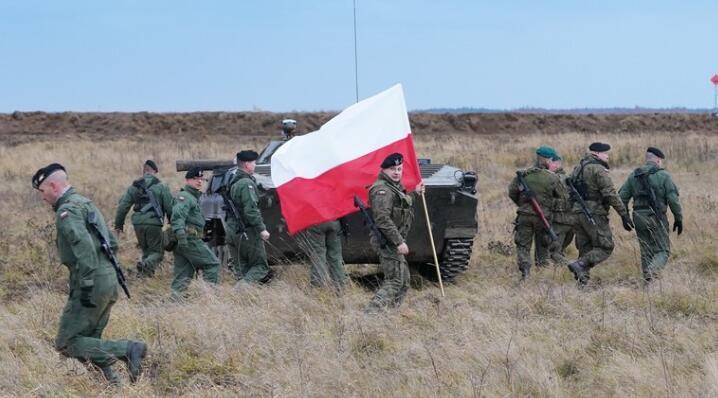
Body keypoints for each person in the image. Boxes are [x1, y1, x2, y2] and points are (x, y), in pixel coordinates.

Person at [32, 163, 146, 385]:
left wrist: (86, 284)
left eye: (43, 191)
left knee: (68, 342)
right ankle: (114, 387)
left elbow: (84, 248)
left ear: (53, 186)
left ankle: (129, 349)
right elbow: (112, 243)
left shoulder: (68, 211)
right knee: (90, 342)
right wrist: (106, 275)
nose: (43, 198)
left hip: (91, 281)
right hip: (108, 279)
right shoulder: (85, 203)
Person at [567, 142, 633, 286]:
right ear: (596, 153)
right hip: (593, 213)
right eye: (605, 153)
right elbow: (610, 194)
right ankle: (580, 265)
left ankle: (582, 283)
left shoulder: (577, 168)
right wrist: (624, 214)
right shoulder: (598, 169)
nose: (607, 156)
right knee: (606, 246)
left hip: (577, 213)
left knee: (585, 247)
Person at [366, 152, 425, 312]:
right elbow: (382, 219)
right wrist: (399, 242)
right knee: (395, 281)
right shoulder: (381, 190)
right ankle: (370, 314)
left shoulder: (394, 187)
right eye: (392, 169)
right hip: (387, 241)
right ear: (384, 170)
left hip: (393, 240)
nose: (397, 172)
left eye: (399, 168)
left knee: (404, 281)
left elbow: (401, 203)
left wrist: (415, 193)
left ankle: (391, 314)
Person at [619, 147, 683, 283]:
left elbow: (621, 197)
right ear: (658, 160)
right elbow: (673, 200)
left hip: (638, 217)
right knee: (663, 250)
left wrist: (625, 217)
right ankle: (652, 272)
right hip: (656, 217)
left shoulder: (634, 175)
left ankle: (647, 284)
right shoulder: (664, 176)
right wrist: (678, 219)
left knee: (646, 250)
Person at [508, 146, 564, 280]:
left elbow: (512, 192)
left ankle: (525, 271)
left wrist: (522, 205)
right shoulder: (552, 178)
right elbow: (561, 195)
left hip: (524, 216)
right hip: (543, 217)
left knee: (523, 245)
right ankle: (542, 267)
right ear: (547, 160)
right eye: (551, 159)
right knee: (543, 243)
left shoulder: (524, 174)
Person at [114, 160, 174, 277]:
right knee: (157, 252)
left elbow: (123, 207)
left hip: (137, 224)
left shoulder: (134, 186)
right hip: (154, 223)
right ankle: (145, 265)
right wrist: (172, 223)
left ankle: (144, 276)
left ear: (144, 171)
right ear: (155, 171)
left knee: (146, 251)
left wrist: (118, 225)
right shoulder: (161, 186)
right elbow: (169, 207)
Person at [170, 167, 220, 299]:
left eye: (201, 179)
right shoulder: (185, 197)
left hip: (186, 240)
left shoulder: (193, 197)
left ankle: (175, 301)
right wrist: (181, 236)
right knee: (212, 264)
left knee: (183, 273)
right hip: (189, 239)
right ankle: (210, 298)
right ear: (187, 180)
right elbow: (177, 217)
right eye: (195, 179)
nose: (199, 181)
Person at [228, 150, 272, 288]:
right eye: (253, 162)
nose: (255, 165)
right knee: (260, 267)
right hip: (247, 231)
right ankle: (238, 291)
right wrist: (262, 229)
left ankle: (242, 300)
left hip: (234, 231)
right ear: (247, 164)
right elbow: (251, 210)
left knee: (243, 270)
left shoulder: (234, 181)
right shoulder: (247, 183)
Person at [535, 155, 574, 266]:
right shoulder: (567, 178)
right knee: (559, 248)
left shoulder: (554, 179)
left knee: (554, 252)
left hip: (559, 220)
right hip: (569, 219)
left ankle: (573, 267)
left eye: (553, 162)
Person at [297, 219, 347, 290]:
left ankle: (318, 287)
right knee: (335, 255)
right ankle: (340, 286)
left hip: (316, 223)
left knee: (318, 255)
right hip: (334, 222)